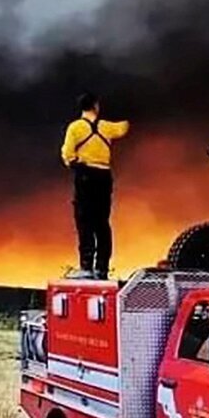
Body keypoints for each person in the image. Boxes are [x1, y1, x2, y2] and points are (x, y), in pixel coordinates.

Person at [61, 92, 130, 279]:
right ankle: (102, 269)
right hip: (104, 176)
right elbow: (123, 128)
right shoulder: (106, 127)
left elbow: (67, 154)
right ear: (96, 106)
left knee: (85, 222)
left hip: (85, 177)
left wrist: (77, 165)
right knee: (102, 223)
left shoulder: (75, 128)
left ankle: (86, 267)